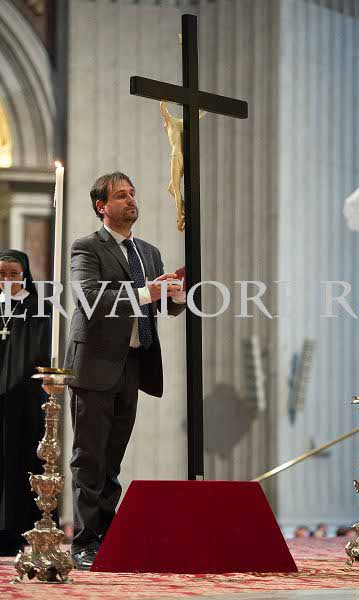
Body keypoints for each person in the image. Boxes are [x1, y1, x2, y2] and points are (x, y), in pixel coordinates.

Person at [64, 171, 185, 570]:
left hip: (132, 363)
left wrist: (175, 295)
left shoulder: (148, 252)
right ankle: (83, 542)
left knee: (112, 458)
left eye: (133, 193)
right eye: (121, 195)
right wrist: (148, 291)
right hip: (94, 364)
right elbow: (91, 299)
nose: (131, 200)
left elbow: (160, 305)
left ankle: (105, 536)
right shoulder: (87, 247)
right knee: (89, 458)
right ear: (102, 206)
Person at [0, 249, 51, 556]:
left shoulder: (38, 307)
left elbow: (41, 352)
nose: (7, 280)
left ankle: (16, 531)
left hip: (24, 401)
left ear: (25, 275)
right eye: (1, 274)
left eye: (13, 274)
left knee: (20, 462)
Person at [160, 101, 206, 232]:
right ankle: (185, 209)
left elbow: (162, 107)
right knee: (171, 188)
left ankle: (180, 217)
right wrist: (206, 107)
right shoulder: (181, 123)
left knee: (175, 188)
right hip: (183, 157)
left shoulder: (170, 122)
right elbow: (197, 115)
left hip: (176, 155)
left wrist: (168, 98)